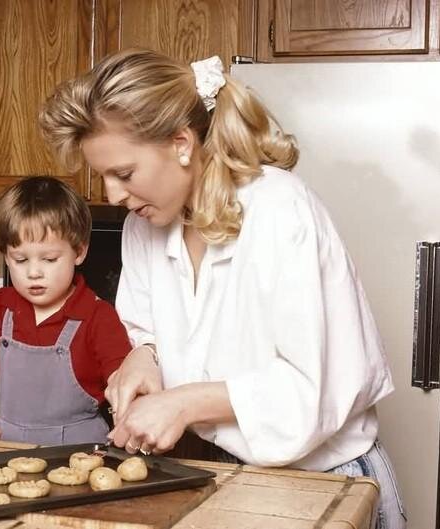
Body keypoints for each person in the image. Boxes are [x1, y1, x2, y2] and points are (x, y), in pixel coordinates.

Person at [39, 49, 406, 528]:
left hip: (330, 483)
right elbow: (146, 326)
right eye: (104, 177)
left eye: (124, 174)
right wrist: (143, 354)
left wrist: (183, 402)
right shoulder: (144, 225)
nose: (112, 195)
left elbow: (309, 388)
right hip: (232, 481)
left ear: (182, 143)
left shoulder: (278, 209)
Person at [0, 176, 132, 446]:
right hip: (5, 450)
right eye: (20, 259)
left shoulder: (98, 316)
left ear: (80, 252)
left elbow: (121, 379)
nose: (34, 272)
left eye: (49, 259)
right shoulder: (0, 307)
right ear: (5, 256)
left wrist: (128, 417)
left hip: (80, 456)